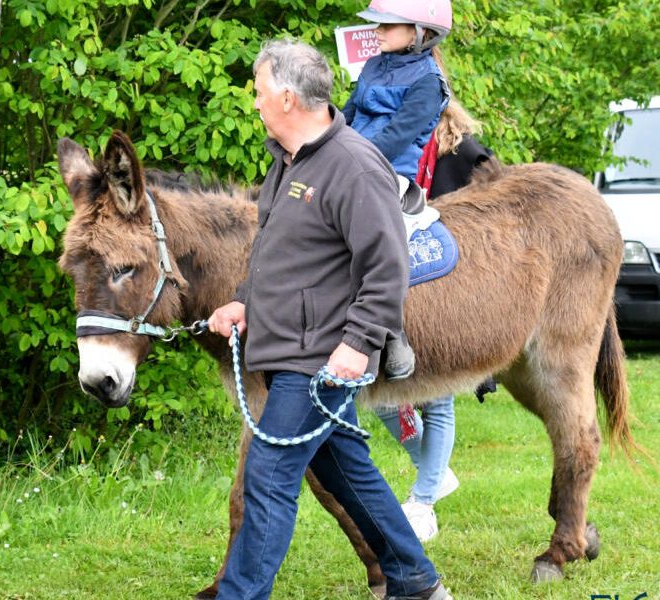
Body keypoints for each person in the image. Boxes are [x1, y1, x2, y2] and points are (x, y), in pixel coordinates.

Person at [206, 38, 452, 600]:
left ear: (288, 98)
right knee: (344, 470)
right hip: (290, 344)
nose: (256, 103)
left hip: (320, 357)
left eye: (261, 91)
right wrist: (245, 299)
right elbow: (279, 252)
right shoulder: (287, 162)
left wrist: (359, 342)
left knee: (268, 478)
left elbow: (387, 268)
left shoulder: (353, 166)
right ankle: (414, 581)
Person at [374, 98, 494, 542]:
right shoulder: (383, 149)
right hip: (396, 278)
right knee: (385, 392)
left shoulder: (463, 153)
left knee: (438, 392)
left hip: (445, 278)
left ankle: (424, 497)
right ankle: (435, 472)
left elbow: (491, 205)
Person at [341, 0, 454, 381]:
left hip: (390, 176)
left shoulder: (429, 83)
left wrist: (346, 161)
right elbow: (347, 116)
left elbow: (394, 139)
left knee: (369, 233)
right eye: (379, 26)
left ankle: (392, 332)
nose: (378, 33)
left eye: (388, 26)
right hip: (348, 165)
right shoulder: (373, 66)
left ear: (420, 33)